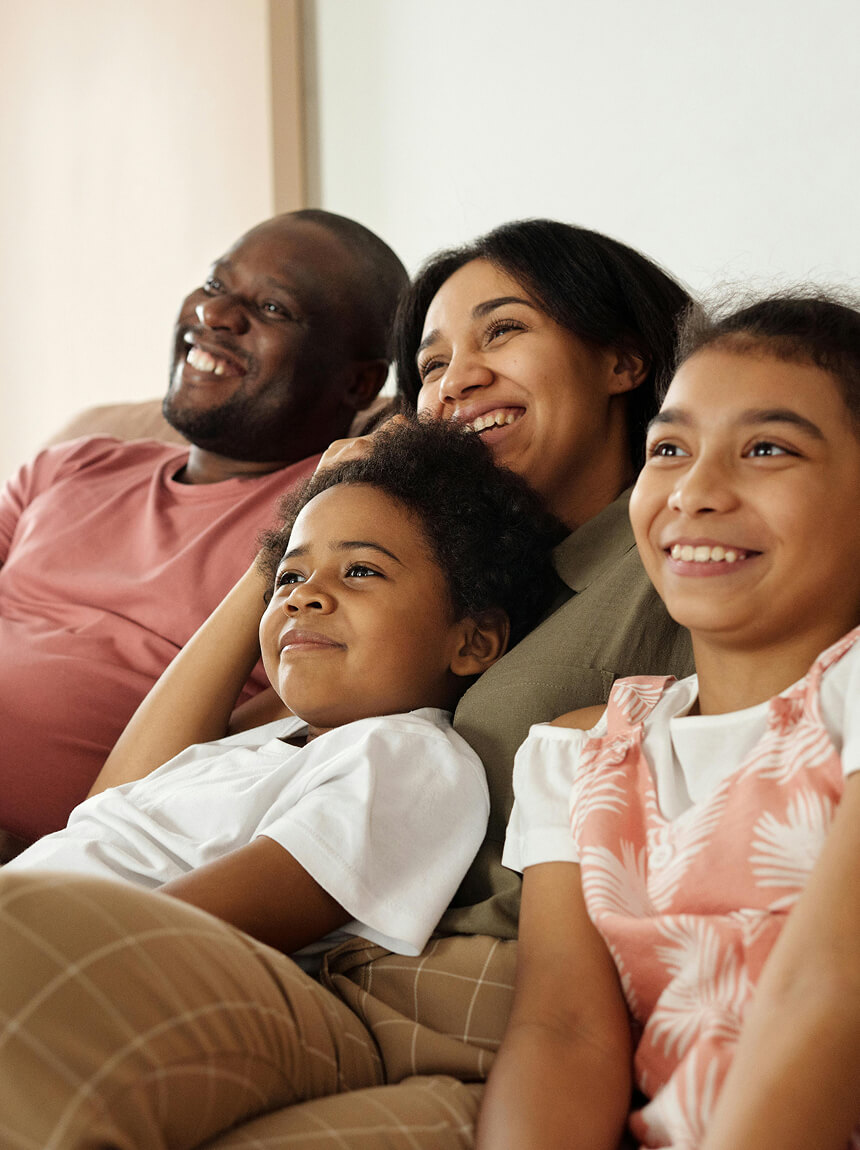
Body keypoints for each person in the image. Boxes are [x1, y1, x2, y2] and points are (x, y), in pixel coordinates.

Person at [0, 417, 563, 1146]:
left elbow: (204, 923)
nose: (304, 596)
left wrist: (44, 925)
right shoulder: (263, 743)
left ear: (472, 639)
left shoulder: (409, 757)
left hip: (136, 960)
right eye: (289, 576)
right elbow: (105, 809)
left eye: (361, 570)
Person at [482, 293, 860, 1150]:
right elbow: (562, 1033)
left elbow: (831, 989)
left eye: (768, 448)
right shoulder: (579, 753)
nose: (695, 491)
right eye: (670, 449)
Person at [0, 208, 408, 849]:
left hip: (51, 852)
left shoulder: (333, 518)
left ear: (359, 380)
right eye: (217, 286)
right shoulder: (72, 463)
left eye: (273, 309)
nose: (216, 316)